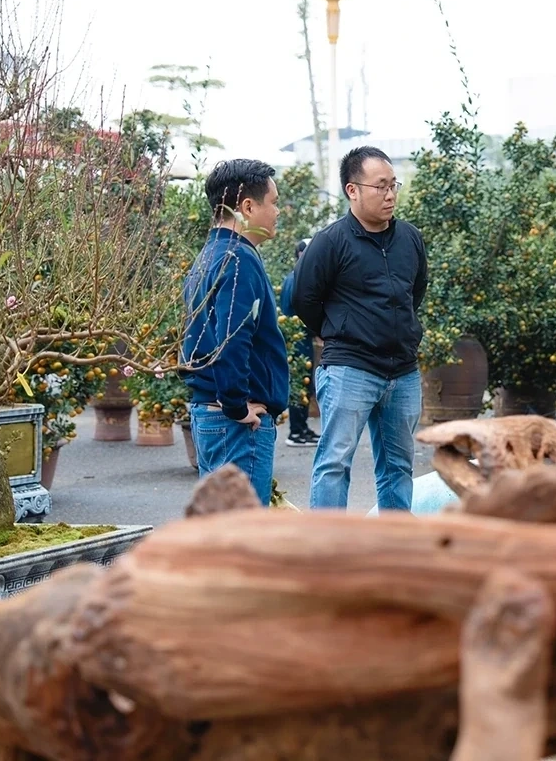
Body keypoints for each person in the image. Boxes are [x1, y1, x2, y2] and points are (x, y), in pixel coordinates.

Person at [291, 146, 427, 512]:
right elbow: (303, 298)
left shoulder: (410, 238)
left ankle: (392, 548)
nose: (390, 194)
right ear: (353, 190)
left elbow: (415, 292)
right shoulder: (331, 241)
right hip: (350, 369)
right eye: (380, 186)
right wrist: (338, 329)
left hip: (403, 372)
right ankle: (331, 555)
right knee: (335, 464)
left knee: (398, 466)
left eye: (393, 185)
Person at [180, 159, 289, 507]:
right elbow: (231, 338)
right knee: (241, 538)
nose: (277, 211)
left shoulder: (209, 255)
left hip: (209, 414)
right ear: (247, 207)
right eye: (273, 202)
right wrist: (236, 406)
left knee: (218, 533)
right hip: (235, 426)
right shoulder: (239, 258)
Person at [279, 238, 321, 447]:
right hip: (297, 341)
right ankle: (296, 431)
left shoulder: (299, 277)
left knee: (304, 384)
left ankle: (302, 428)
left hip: (302, 339)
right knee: (299, 385)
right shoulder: (296, 279)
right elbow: (295, 313)